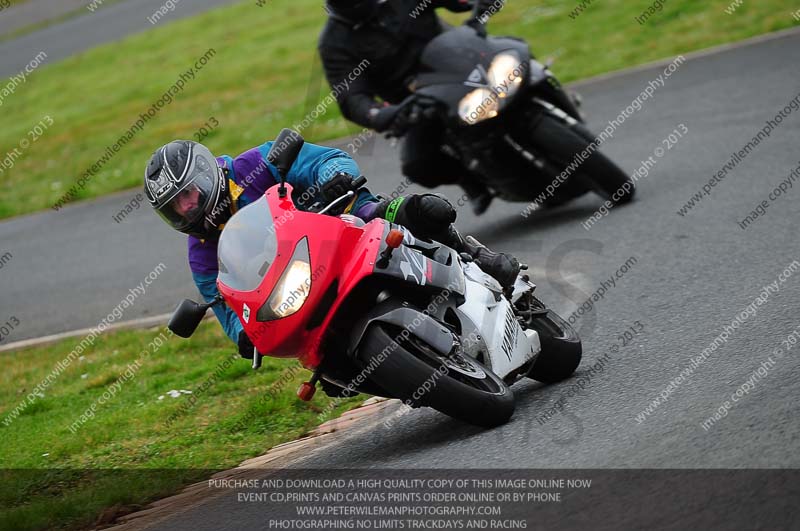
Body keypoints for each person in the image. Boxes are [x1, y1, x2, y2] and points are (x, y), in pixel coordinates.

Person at [144, 137, 519, 359]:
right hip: (300, 285)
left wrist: (332, 179)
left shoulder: (253, 165)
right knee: (326, 365)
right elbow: (225, 303)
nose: (188, 209)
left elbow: (324, 158)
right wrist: (242, 334)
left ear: (206, 175)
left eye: (189, 196)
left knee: (421, 211)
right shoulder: (200, 254)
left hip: (344, 225)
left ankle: (474, 257)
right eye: (175, 208)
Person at [318, 0, 503, 215]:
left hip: (462, 66)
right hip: (418, 104)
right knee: (417, 164)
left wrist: (478, 7)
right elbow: (352, 98)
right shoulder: (334, 42)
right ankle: (470, 180)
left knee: (514, 57)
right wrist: (380, 114)